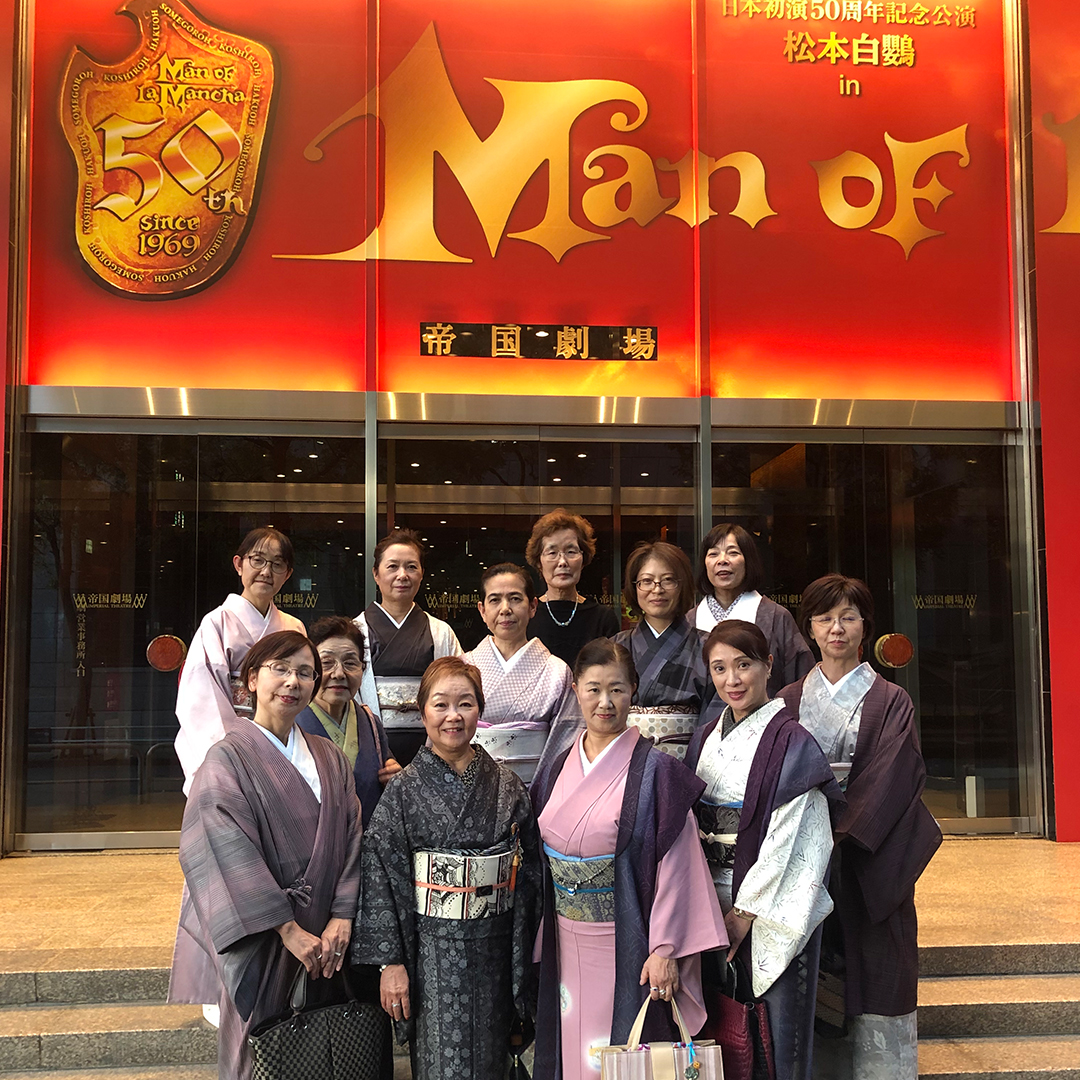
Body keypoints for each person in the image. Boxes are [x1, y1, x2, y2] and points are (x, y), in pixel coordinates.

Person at [169, 630, 363, 1080]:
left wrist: (342, 915)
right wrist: (286, 929)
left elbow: (354, 836)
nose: (293, 682)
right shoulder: (225, 759)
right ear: (252, 679)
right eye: (281, 669)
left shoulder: (330, 756)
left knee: (332, 1047)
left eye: (305, 673)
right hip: (268, 936)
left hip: (330, 937)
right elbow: (223, 848)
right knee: (261, 1048)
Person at [532, 639, 727, 1080]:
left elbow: (679, 866)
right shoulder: (558, 765)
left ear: (633, 691)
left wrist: (666, 949)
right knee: (572, 1043)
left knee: (621, 1052)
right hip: (565, 934)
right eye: (594, 689)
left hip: (627, 939)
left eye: (617, 690)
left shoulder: (657, 771)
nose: (605, 702)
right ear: (576, 690)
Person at [779, 575, 941, 1080]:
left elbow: (894, 773)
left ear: (865, 627)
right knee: (809, 976)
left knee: (878, 967)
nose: (837, 628)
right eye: (825, 618)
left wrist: (836, 835)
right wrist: (802, 839)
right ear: (809, 628)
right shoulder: (787, 699)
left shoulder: (891, 700)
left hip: (869, 859)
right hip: (800, 859)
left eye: (848, 617)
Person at [353, 656, 541, 1080]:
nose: (453, 716)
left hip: (496, 950)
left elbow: (529, 877)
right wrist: (391, 963)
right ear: (422, 713)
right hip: (431, 955)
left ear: (480, 711)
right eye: (440, 705)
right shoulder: (403, 792)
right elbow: (380, 877)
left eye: (465, 704)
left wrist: (525, 956)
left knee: (494, 1061)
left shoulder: (508, 786)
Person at [685, 620, 842, 1080]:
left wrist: (744, 913)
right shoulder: (707, 736)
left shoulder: (792, 742)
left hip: (766, 904)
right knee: (717, 1030)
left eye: (744, 665)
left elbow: (792, 837)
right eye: (719, 668)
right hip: (708, 900)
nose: (732, 679)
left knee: (772, 1034)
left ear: (768, 665)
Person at [174, 527, 305, 794]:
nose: (266, 571)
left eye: (277, 564)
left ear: (287, 574)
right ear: (239, 564)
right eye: (257, 560)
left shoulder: (294, 627)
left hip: (285, 746)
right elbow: (202, 701)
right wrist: (231, 758)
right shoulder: (216, 623)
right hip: (234, 746)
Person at [463, 562, 583, 782]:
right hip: (470, 786)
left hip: (533, 788)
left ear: (533, 606)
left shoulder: (557, 671)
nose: (505, 609)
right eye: (495, 600)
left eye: (515, 599)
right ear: (482, 610)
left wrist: (542, 790)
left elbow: (565, 740)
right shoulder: (463, 667)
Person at [355, 527, 463, 765]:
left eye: (411, 567)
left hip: (434, 752)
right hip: (373, 753)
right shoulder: (356, 631)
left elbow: (459, 690)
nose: (402, 575)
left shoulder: (441, 632)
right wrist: (377, 755)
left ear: (422, 574)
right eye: (392, 567)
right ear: (375, 574)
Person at [612, 541, 718, 758]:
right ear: (634, 587)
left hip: (689, 762)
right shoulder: (616, 647)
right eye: (646, 581)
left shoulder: (707, 647)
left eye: (668, 580)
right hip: (626, 761)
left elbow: (716, 717)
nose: (657, 589)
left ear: (682, 586)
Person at [296, 616, 402, 827]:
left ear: (363, 669)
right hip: (313, 842)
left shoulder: (370, 723)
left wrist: (395, 776)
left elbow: (387, 776)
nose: (338, 673)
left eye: (350, 663)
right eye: (327, 663)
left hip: (368, 841)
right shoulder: (291, 725)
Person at [691, 523, 814, 697]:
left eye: (733, 552)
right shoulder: (690, 621)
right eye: (713, 554)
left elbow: (802, 682)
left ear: (748, 561)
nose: (722, 560)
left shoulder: (776, 617)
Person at [525, 509, 620, 666]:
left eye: (571, 551)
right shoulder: (526, 616)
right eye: (552, 553)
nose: (562, 562)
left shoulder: (603, 619)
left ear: (583, 560)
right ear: (538, 562)